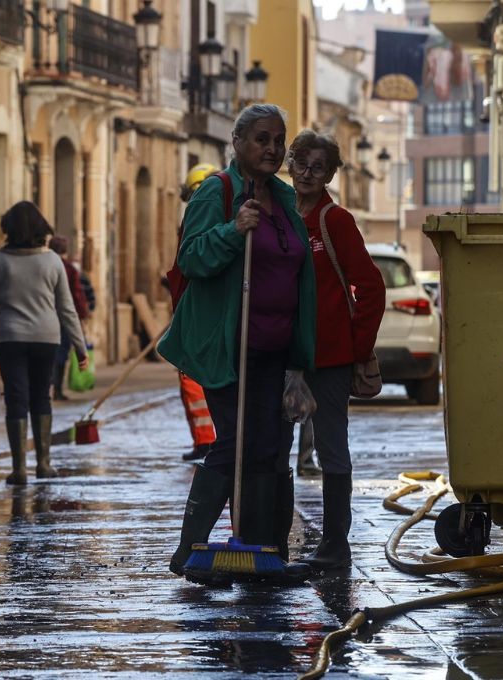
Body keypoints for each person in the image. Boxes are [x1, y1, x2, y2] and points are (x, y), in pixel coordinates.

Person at [159, 104, 316, 577]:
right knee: (235, 443)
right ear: (239, 143)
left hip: (276, 348)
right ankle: (189, 549)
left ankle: (266, 552)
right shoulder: (218, 191)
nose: (271, 148)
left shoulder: (286, 200)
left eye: (278, 140)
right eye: (261, 139)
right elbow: (193, 258)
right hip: (229, 346)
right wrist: (233, 230)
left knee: (271, 447)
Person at [288, 130, 385, 570]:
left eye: (318, 167)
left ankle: (335, 543)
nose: (308, 173)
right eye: (301, 163)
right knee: (272, 448)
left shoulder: (336, 221)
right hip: (281, 354)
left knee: (331, 449)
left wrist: (355, 347)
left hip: (329, 357)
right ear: (290, 164)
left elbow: (370, 286)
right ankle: (270, 538)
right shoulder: (277, 213)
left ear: (330, 173)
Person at [0, 202, 89, 486]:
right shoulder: (52, 261)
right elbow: (66, 309)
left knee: (15, 397)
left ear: (7, 228)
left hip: (9, 338)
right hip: (46, 338)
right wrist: (80, 346)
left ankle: (19, 468)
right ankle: (44, 464)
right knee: (41, 396)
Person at [174, 163, 221, 462]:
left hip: (199, 313)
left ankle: (207, 441)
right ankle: (211, 440)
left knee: (191, 378)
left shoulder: (201, 220)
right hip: (199, 308)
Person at [47, 235, 89, 402]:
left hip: (46, 316)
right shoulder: (70, 269)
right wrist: (82, 314)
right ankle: (56, 388)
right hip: (63, 317)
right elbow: (76, 294)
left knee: (48, 352)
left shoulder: (45, 265)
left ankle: (47, 386)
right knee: (61, 353)